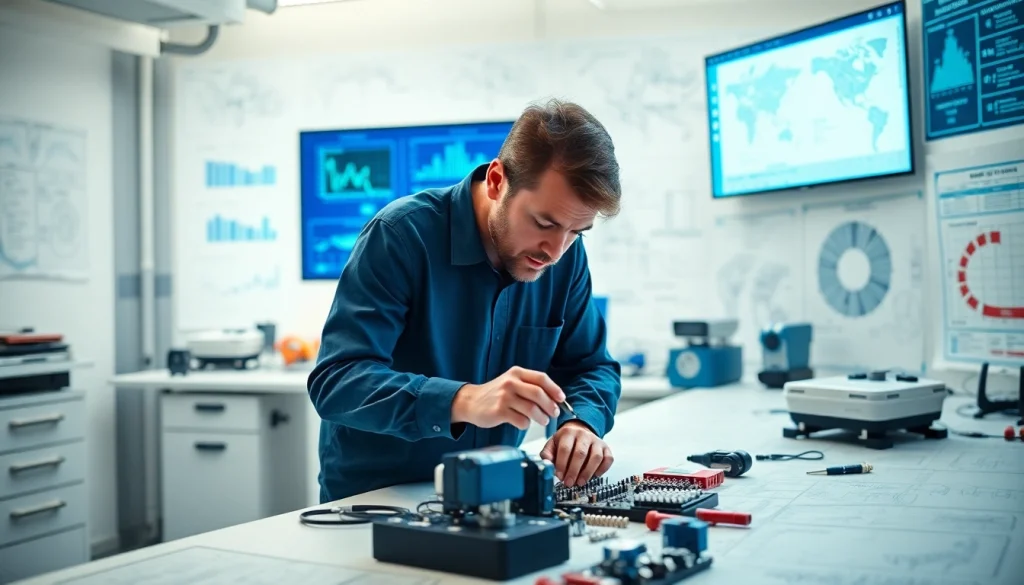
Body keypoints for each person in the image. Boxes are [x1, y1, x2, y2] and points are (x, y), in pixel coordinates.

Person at [307, 98, 623, 503]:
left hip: (491, 496)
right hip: (377, 500)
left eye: (577, 231)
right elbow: (337, 382)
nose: (555, 251)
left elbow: (592, 366)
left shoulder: (562, 257)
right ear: (496, 181)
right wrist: (462, 400)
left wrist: (580, 424)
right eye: (544, 223)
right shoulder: (401, 236)